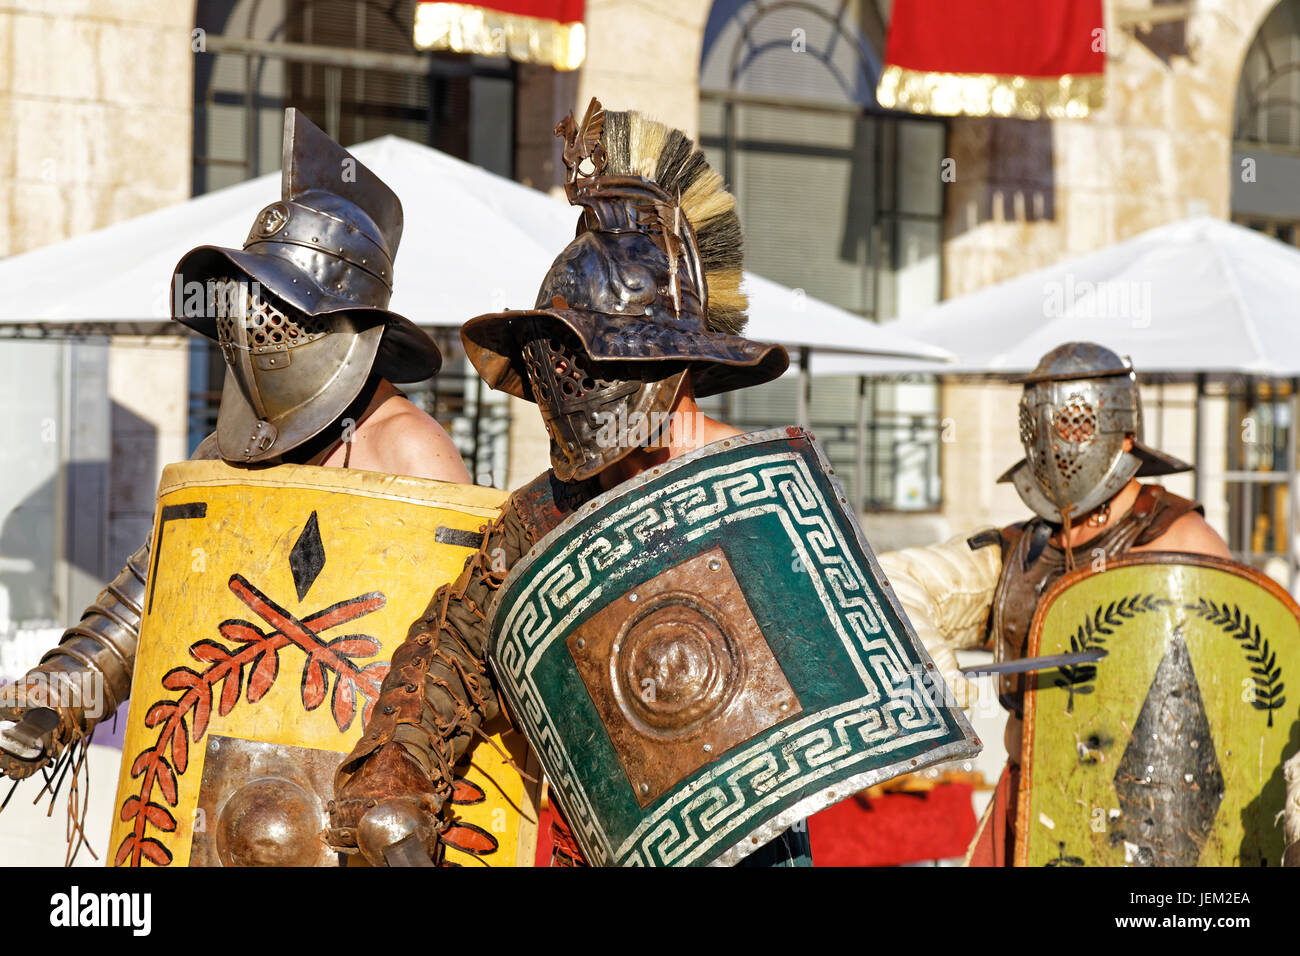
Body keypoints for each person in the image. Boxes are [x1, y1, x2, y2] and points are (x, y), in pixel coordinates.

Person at [324, 99, 835, 867]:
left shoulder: (764, 493)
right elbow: (453, 650)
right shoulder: (541, 515)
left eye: (598, 358)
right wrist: (397, 770)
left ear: (666, 359)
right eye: (568, 359)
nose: (578, 381)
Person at [0, 109, 468, 793]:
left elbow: (451, 657)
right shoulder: (232, 448)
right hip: (220, 795)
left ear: (344, 320)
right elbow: (155, 591)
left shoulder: (411, 453)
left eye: (277, 302)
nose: (254, 320)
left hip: (350, 804)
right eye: (249, 296)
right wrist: (61, 691)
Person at [877, 342, 1232, 865]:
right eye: (1039, 426)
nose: (1053, 443)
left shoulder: (1182, 543)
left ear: (1122, 432)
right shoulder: (1021, 549)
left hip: (1151, 824)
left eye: (1073, 423)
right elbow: (892, 581)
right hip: (1028, 802)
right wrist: (938, 681)